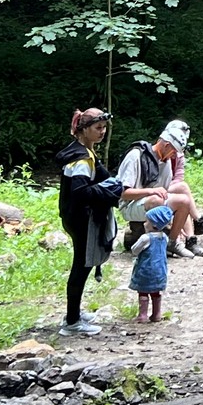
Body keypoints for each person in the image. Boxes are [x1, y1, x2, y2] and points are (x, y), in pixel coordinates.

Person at [54, 107, 126, 336]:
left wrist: (120, 187)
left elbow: (105, 178)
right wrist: (109, 193)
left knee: (82, 266)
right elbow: (81, 192)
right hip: (80, 220)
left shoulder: (86, 152)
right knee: (81, 267)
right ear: (84, 130)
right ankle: (72, 322)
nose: (102, 131)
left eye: (104, 127)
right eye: (98, 128)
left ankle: (74, 313)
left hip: (73, 217)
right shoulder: (81, 159)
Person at [116, 120, 200, 255]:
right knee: (157, 199)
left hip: (152, 202)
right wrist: (151, 191)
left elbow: (164, 194)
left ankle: (172, 242)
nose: (175, 156)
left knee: (184, 201)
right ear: (166, 145)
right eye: (174, 152)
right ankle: (152, 240)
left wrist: (177, 223)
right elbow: (123, 193)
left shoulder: (166, 162)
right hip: (129, 205)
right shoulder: (136, 155)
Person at [129, 202, 174, 322]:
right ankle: (156, 314)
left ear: (154, 224)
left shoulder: (146, 238)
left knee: (143, 291)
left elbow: (134, 250)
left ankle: (143, 315)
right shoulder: (164, 237)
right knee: (155, 292)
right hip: (160, 270)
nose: (145, 223)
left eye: (147, 221)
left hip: (146, 269)